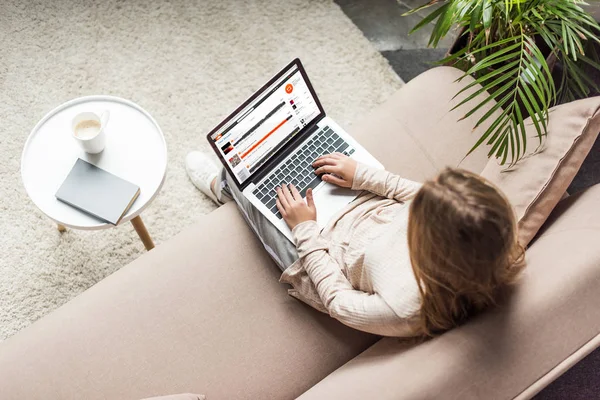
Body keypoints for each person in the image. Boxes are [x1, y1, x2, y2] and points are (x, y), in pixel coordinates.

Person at [185, 151, 525, 337]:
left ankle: (224, 189)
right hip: (365, 208)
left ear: (427, 241)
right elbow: (425, 196)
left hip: (322, 256)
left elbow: (337, 300)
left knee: (247, 177)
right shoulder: (485, 229)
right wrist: (361, 174)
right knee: (307, 150)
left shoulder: (402, 308)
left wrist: (305, 230)